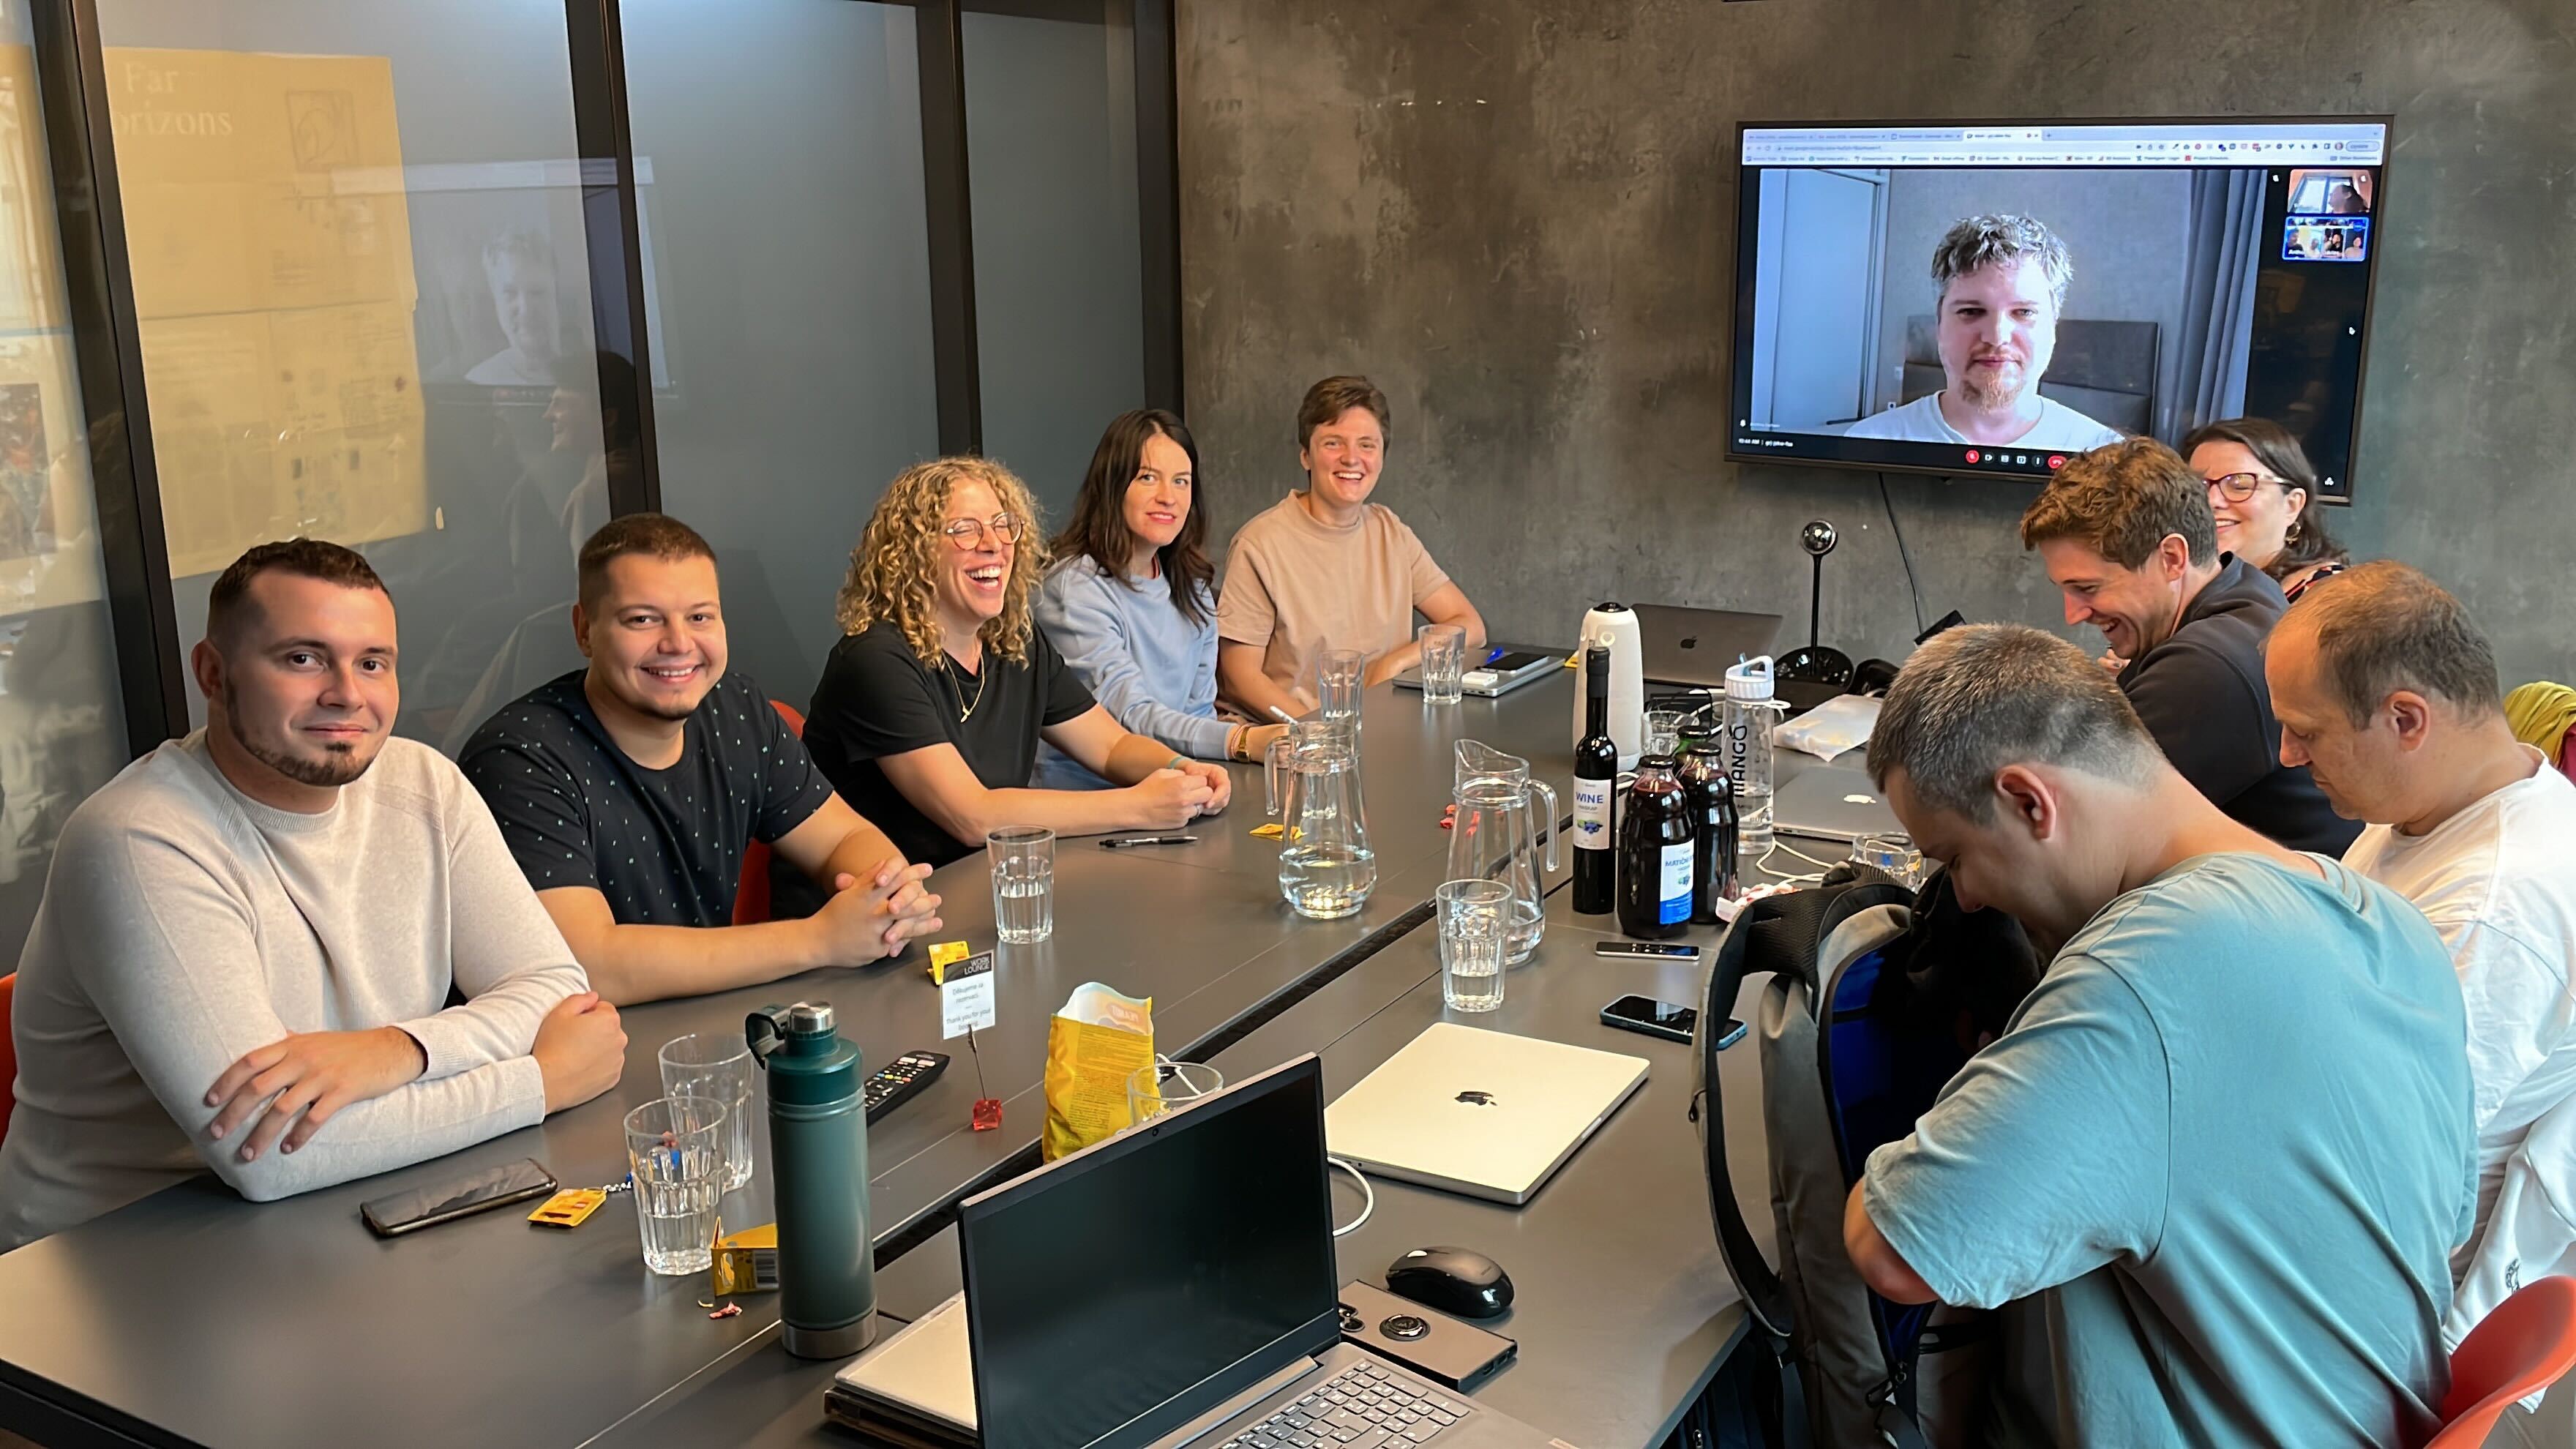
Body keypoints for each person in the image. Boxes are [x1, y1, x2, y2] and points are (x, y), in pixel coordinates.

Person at [1841, 623, 2471, 1445]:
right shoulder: (2387, 920)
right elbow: (2446, 1220)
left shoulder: (2146, 972)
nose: (1961, 899)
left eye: (1954, 857)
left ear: (2030, 801)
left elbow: (1897, 1252)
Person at [0, 541, 626, 1249]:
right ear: (212, 673)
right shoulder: (138, 841)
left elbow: (553, 991)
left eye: (372, 663)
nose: (347, 694)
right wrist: (542, 1080)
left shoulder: (422, 784)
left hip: (341, 1217)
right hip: (123, 1261)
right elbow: (269, 1154)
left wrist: (398, 1052)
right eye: (303, 658)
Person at [460, 515, 943, 1006]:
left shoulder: (735, 709)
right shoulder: (518, 759)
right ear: (585, 631)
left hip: (707, 1028)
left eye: (700, 617)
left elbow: (844, 837)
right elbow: (591, 963)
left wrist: (888, 898)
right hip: (574, 1054)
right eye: (643, 619)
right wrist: (822, 939)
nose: (678, 644)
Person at [2264, 563, 2576, 1319]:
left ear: (2406, 720)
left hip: (2370, 1295)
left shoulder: (2493, 907)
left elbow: (2382, 1172)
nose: (2286, 758)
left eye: (2306, 732)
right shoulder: (2445, 796)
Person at [801, 457, 1235, 868]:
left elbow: (1111, 747)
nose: (993, 546)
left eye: (1002, 526)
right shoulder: (875, 660)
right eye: (965, 530)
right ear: (915, 552)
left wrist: (1181, 771)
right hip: (886, 920)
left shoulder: (1016, 640)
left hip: (988, 886)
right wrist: (1140, 806)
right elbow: (972, 817)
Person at [2021, 436, 2356, 853]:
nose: (2074, 614)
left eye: (2088, 588)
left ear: (2173, 558)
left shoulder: (2206, 666)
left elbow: (2061, 839)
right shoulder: (2244, 592)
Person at [1033, 410, 1288, 788]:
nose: (1168, 497)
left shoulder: (1192, 586)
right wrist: (1242, 740)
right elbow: (1130, 716)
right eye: (1148, 478)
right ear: (1112, 485)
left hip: (1178, 786)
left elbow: (1198, 712)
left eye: (1181, 482)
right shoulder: (1075, 588)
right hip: (1091, 800)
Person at [1216, 375, 1486, 719]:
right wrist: (1319, 732)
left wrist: (1393, 662)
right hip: (1289, 741)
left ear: (1381, 458)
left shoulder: (1391, 533)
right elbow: (1240, 677)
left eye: (1367, 445)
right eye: (1333, 443)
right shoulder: (1259, 544)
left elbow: (1470, 625)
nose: (1351, 458)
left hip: (1379, 730)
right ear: (1305, 455)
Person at [1845, 214, 2126, 452]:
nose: (1997, 337)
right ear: (1939, 324)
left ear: (2053, 327)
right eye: (1971, 311)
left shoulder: (2103, 457)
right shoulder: (1867, 444)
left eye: (2024, 312)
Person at [2182, 416, 2348, 603]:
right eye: (2197, 487)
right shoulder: (2183, 588)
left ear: (2292, 506)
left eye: (2240, 484)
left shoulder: (2330, 597)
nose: (2212, 501)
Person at [464, 231, 564, 388]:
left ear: (556, 296)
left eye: (537, 292)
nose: (525, 310)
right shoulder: (477, 383)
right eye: (510, 293)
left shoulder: (589, 378)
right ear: (494, 300)